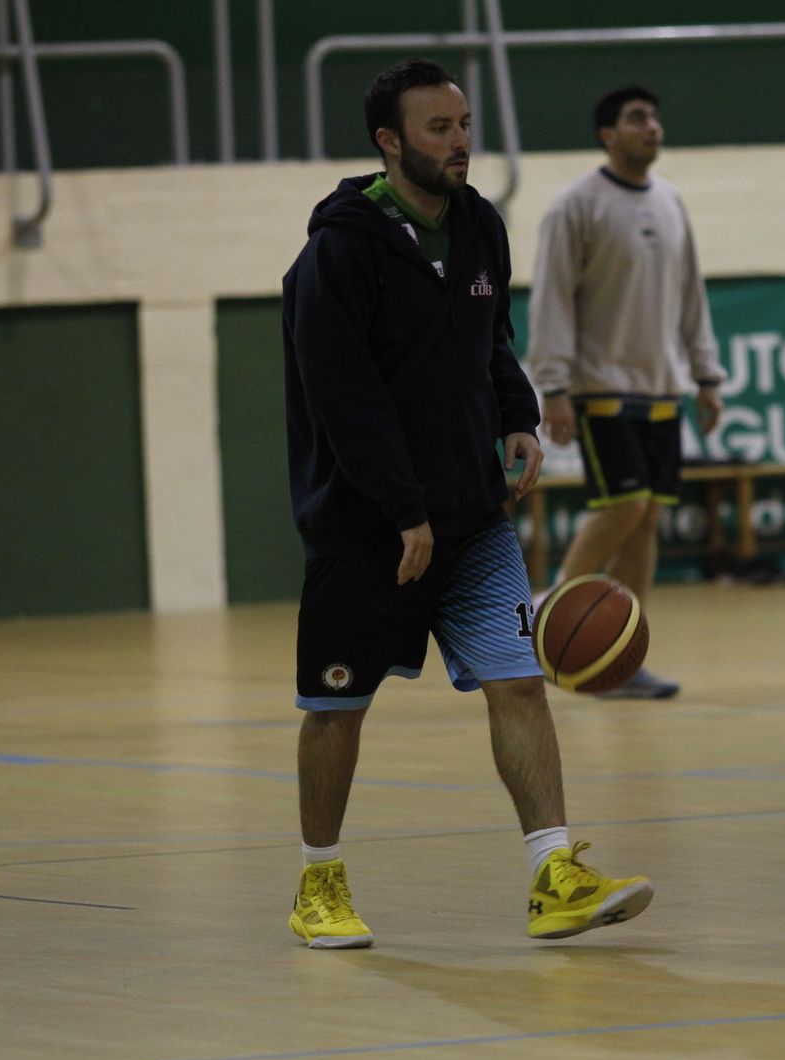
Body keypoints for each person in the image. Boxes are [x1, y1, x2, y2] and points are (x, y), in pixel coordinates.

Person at [279, 59, 653, 949]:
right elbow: (343, 397)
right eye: (439, 128)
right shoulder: (338, 251)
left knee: (519, 682)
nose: (459, 142)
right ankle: (318, 882)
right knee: (336, 708)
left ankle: (553, 874)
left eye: (465, 124)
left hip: (473, 519)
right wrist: (402, 507)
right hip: (366, 527)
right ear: (389, 140)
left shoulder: (480, 223)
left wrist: (517, 416)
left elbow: (491, 340)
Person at [527, 85, 726, 701]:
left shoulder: (670, 201)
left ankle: (622, 658)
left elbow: (691, 295)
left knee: (646, 522)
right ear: (607, 135)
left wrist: (707, 376)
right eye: (638, 118)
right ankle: (548, 616)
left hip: (662, 389)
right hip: (601, 388)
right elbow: (552, 297)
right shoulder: (575, 205)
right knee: (625, 505)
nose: (652, 126)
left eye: (655, 117)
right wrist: (553, 385)